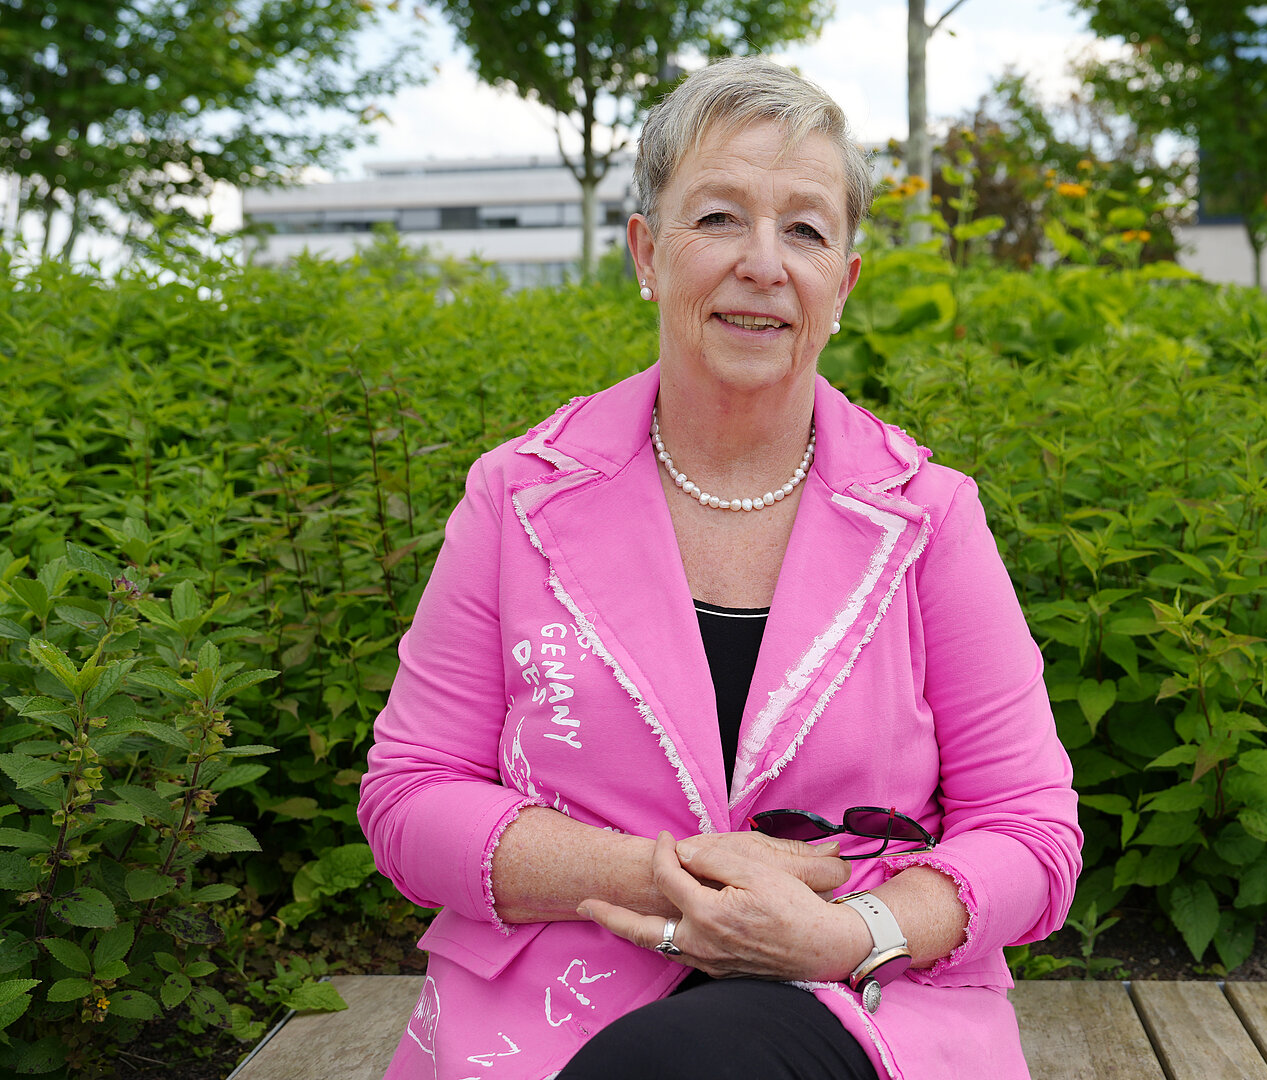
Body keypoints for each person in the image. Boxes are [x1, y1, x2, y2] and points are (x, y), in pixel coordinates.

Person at [356, 56, 1082, 1080]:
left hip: (856, 1007)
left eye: (804, 229)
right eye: (719, 218)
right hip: (560, 1013)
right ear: (646, 252)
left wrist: (851, 933)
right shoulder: (515, 497)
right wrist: (662, 872)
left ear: (845, 282)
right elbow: (409, 799)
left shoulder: (929, 517)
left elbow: (1031, 829)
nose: (762, 262)